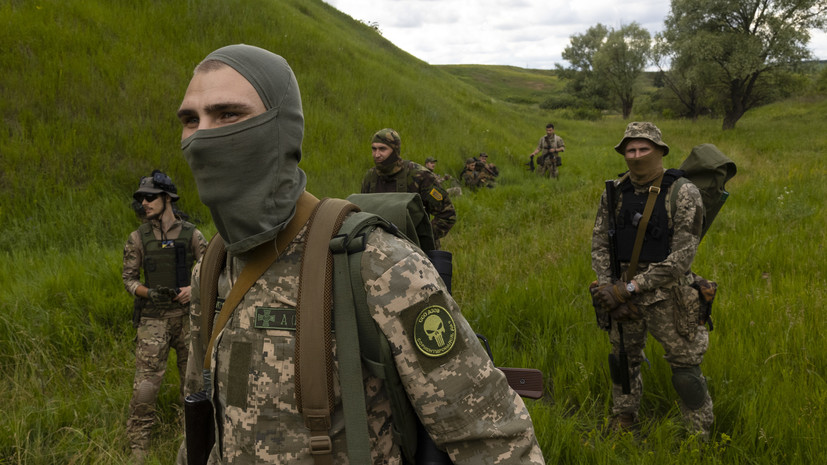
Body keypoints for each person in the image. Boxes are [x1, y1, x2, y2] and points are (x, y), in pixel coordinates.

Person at [176, 44, 544, 464]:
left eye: (228, 115)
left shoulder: (379, 266)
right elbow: (200, 416)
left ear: (283, 127)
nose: (202, 136)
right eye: (190, 119)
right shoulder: (212, 267)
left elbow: (496, 442)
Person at [590, 122, 714, 437]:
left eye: (644, 148)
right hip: (621, 295)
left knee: (685, 369)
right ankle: (624, 419)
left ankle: (699, 434)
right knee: (622, 360)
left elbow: (681, 259)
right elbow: (601, 243)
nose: (636, 155)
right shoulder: (614, 192)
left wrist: (629, 288)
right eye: (630, 150)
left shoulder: (683, 192)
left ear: (660, 151)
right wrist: (607, 289)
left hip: (667, 296)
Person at [122, 170, 207, 462]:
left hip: (186, 319)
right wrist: (147, 293)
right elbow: (129, 279)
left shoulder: (192, 234)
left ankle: (192, 443)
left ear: (167, 198)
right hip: (153, 322)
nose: (143, 203)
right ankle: (138, 449)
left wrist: (191, 289)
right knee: (145, 387)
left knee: (194, 387)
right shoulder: (138, 238)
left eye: (149, 197)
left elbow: (208, 269)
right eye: (140, 199)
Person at [361, 128, 456, 248]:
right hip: (379, 250)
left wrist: (421, 238)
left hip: (416, 253)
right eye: (374, 149)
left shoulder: (419, 176)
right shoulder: (370, 177)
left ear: (395, 150)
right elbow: (364, 215)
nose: (377, 154)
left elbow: (447, 215)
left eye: (382, 149)